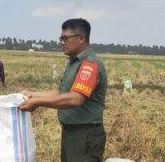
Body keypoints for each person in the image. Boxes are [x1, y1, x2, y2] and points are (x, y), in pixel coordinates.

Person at [19, 18, 107, 162]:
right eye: (61, 38)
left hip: (85, 135)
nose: (62, 42)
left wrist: (38, 102)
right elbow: (60, 92)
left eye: (66, 38)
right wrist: (32, 94)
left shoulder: (89, 64)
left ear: (81, 38)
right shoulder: (73, 63)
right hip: (71, 132)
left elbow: (75, 98)